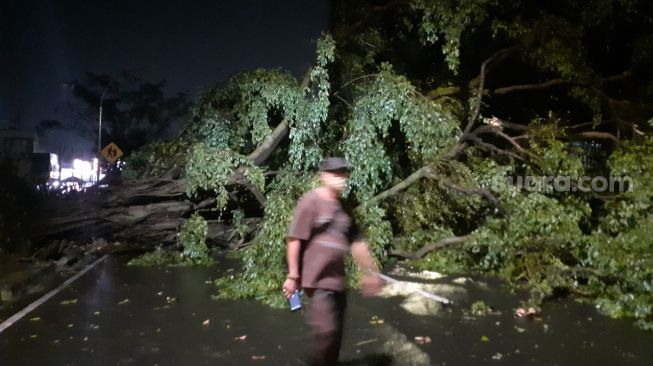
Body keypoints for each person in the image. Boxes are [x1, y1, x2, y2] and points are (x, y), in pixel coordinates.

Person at [282, 157, 384, 366]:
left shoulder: (344, 209)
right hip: (316, 281)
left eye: (343, 174)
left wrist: (369, 272)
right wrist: (293, 275)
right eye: (335, 174)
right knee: (326, 331)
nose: (341, 179)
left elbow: (356, 243)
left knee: (336, 338)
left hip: (337, 282)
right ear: (324, 176)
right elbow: (294, 239)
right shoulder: (311, 201)